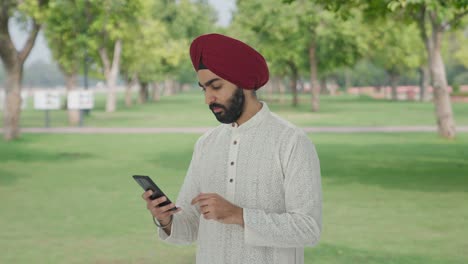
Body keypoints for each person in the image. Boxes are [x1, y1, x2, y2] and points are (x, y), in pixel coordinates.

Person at [141, 33, 322, 264]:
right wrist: (166, 219)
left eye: (215, 86)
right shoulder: (206, 144)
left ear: (244, 82)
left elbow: (308, 228)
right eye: (203, 89)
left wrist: (239, 215)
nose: (208, 99)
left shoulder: (290, 141)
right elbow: (189, 228)